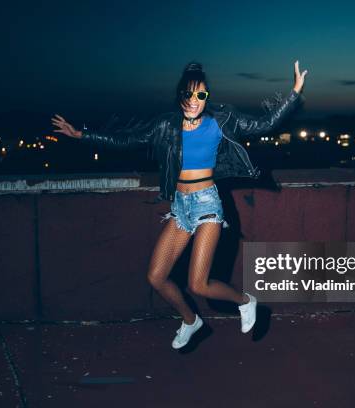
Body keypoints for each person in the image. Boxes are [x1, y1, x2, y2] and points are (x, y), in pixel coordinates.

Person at [51, 60, 307, 349]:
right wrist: (82, 134)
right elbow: (127, 139)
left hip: (207, 204)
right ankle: (190, 320)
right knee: (156, 277)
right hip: (180, 207)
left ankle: (246, 302)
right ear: (181, 95)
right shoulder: (165, 124)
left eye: (202, 95)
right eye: (189, 94)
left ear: (207, 97)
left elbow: (265, 124)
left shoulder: (221, 120)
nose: (195, 101)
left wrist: (294, 92)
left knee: (199, 284)